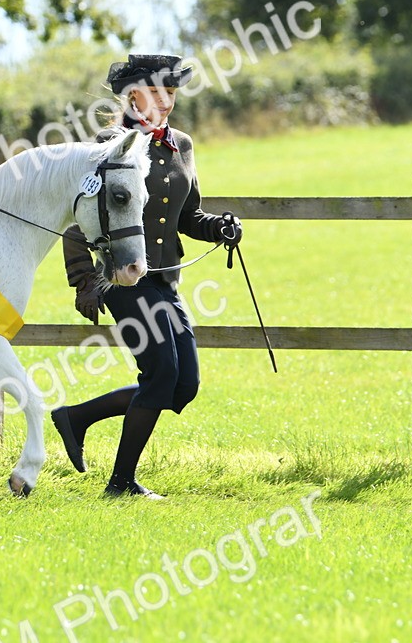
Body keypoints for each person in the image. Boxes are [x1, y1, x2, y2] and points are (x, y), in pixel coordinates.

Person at [51, 54, 243, 499]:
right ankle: (121, 483)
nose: (165, 101)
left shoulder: (182, 145)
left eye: (170, 93)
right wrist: (83, 279)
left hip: (165, 279)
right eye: (156, 92)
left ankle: (77, 417)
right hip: (120, 278)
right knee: (160, 373)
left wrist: (220, 227)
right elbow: (81, 216)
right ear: (132, 96)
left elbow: (188, 216)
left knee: (183, 385)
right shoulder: (110, 143)